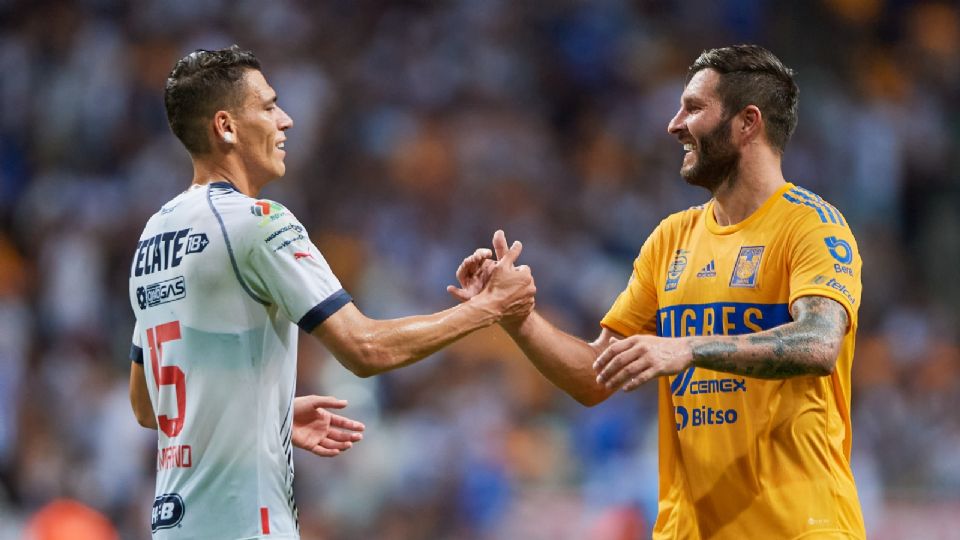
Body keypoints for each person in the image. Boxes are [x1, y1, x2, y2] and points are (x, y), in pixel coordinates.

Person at [450, 45, 866, 539]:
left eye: (693, 108)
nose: (674, 124)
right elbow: (593, 376)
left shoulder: (811, 227)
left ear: (747, 122)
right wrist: (516, 316)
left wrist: (686, 348)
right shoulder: (671, 239)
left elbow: (819, 344)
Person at [128, 46, 535, 540]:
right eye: (268, 106)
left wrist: (266, 418)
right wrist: (487, 309)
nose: (286, 120)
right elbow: (366, 348)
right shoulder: (258, 223)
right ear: (226, 127)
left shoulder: (154, 235)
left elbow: (149, 407)